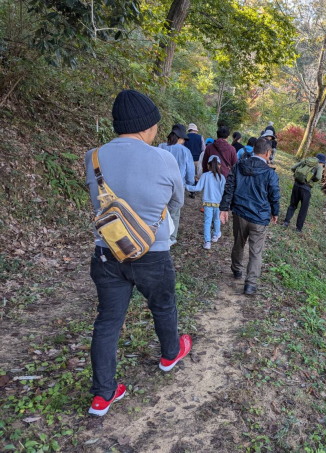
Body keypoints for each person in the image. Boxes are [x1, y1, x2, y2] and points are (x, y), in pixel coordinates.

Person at [84, 89, 192, 417]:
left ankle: (103, 395)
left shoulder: (94, 157)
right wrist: (164, 226)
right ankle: (170, 354)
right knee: (162, 305)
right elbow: (177, 201)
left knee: (108, 321)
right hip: (152, 253)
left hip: (107, 252)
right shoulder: (163, 158)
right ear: (146, 127)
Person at [219, 138, 280, 295]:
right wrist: (275, 212)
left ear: (253, 150)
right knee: (256, 251)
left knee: (239, 242)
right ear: (268, 153)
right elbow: (274, 195)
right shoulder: (269, 173)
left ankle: (237, 270)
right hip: (260, 217)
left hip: (240, 213)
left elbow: (229, 186)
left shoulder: (239, 166)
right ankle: (250, 284)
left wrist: (224, 208)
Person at [159, 124, 195, 246]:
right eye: (184, 139)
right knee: (174, 211)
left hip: (161, 184)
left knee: (161, 209)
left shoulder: (161, 147)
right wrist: (190, 183)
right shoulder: (185, 151)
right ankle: (171, 237)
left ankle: (159, 234)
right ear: (180, 138)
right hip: (178, 185)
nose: (184, 141)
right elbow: (190, 171)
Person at [187, 155, 226, 250]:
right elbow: (223, 192)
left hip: (207, 203)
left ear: (208, 165)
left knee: (207, 222)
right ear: (219, 165)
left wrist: (186, 186)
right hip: (218, 203)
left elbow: (198, 188)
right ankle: (216, 235)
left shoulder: (205, 176)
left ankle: (207, 242)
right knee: (217, 219)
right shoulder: (222, 177)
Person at [282, 153, 326, 233]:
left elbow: (293, 168)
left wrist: (298, 176)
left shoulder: (306, 160)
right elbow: (318, 177)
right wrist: (310, 180)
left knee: (292, 205)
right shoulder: (319, 166)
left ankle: (286, 222)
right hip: (306, 189)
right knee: (303, 209)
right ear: (322, 162)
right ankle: (298, 229)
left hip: (296, 185)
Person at [184, 123, 206, 193]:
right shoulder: (200, 137)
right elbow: (203, 149)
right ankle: (194, 190)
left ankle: (186, 187)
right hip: (197, 159)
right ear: (195, 130)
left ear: (189, 130)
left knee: (188, 174)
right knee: (196, 175)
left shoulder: (185, 137)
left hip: (187, 159)